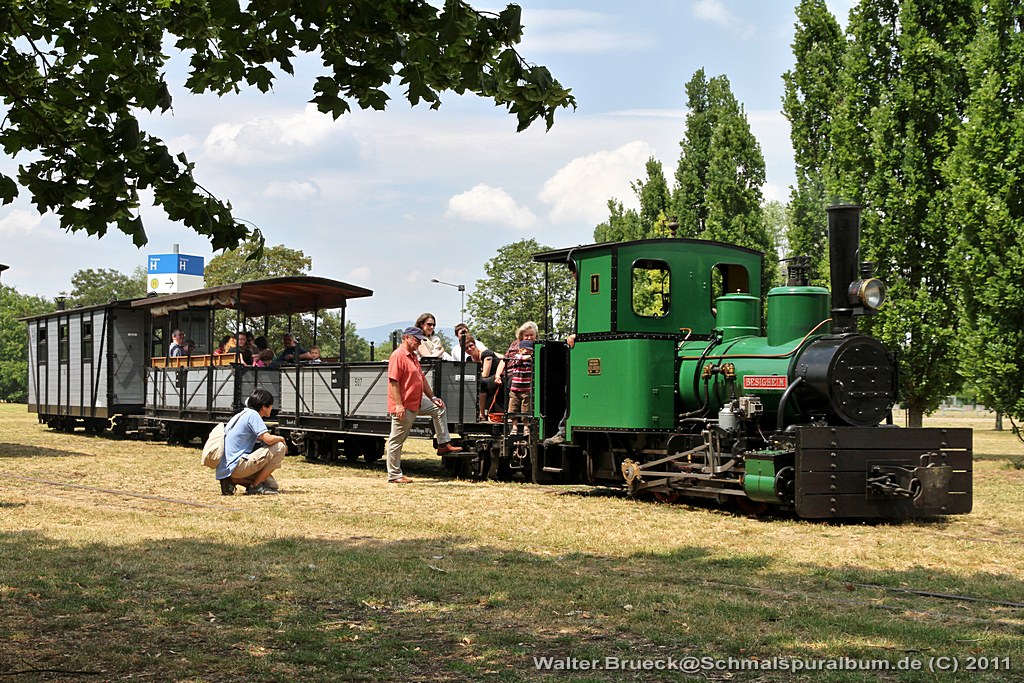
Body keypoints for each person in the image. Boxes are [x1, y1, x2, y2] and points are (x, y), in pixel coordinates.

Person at [385, 326, 463, 483]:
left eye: (420, 340)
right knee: (396, 440)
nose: (419, 343)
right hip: (404, 404)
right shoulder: (398, 355)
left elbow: (422, 379)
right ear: (406, 338)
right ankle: (394, 475)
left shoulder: (413, 356)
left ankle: (443, 444)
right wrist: (398, 405)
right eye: (417, 340)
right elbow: (393, 382)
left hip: (417, 401)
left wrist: (433, 397)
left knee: (439, 408)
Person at [216, 387, 287, 496]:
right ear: (264, 407)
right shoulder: (253, 415)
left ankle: (232, 480)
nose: (272, 408)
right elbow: (268, 439)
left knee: (272, 485)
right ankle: (255, 486)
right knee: (279, 447)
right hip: (237, 465)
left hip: (227, 467)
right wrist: (281, 439)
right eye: (271, 405)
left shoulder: (241, 415)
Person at [495, 321, 538, 435]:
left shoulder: (537, 346)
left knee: (511, 383)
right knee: (488, 383)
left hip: (526, 377)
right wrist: (497, 375)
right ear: (521, 335)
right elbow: (505, 359)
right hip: (511, 372)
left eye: (531, 335)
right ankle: (506, 417)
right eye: (526, 335)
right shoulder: (515, 345)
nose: (529, 337)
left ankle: (524, 424)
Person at [464, 335, 501, 421]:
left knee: (481, 383)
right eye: (466, 348)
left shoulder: (486, 354)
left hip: (496, 377)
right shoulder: (469, 359)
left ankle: (482, 414)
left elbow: (485, 374)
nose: (469, 349)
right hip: (483, 379)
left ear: (475, 344)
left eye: (471, 345)